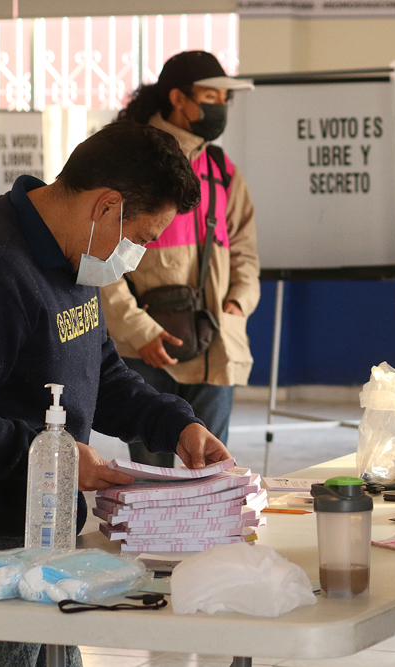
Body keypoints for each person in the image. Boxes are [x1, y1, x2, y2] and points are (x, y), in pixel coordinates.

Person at [0, 120, 233, 667]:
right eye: (140, 238)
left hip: (35, 514)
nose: (137, 255)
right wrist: (59, 459)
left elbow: (101, 371)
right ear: (105, 207)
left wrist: (176, 425)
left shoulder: (74, 255)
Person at [105, 50, 260, 466]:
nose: (221, 108)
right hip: (148, 351)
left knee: (209, 471)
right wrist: (139, 331)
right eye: (212, 96)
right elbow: (98, 255)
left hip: (215, 341)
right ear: (178, 98)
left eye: (226, 99)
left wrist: (236, 306)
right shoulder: (130, 159)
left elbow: (245, 247)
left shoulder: (221, 168)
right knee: (149, 478)